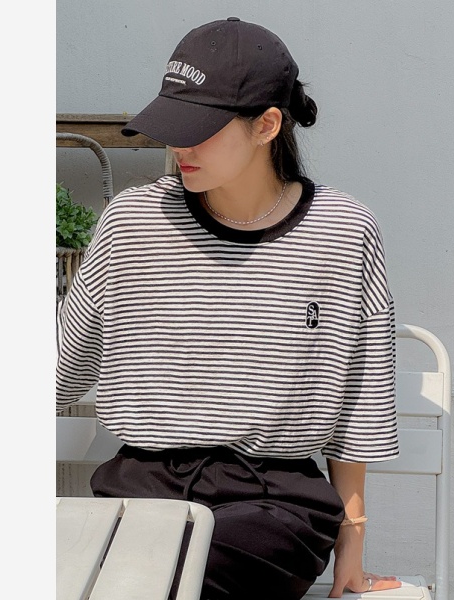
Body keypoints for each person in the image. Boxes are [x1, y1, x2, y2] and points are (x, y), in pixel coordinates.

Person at [57, 17, 401, 600]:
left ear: (267, 125)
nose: (178, 147)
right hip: (142, 490)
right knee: (131, 562)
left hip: (275, 505)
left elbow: (360, 404)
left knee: (164, 571)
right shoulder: (132, 222)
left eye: (200, 130)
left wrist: (352, 545)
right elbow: (64, 369)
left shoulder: (342, 232)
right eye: (173, 127)